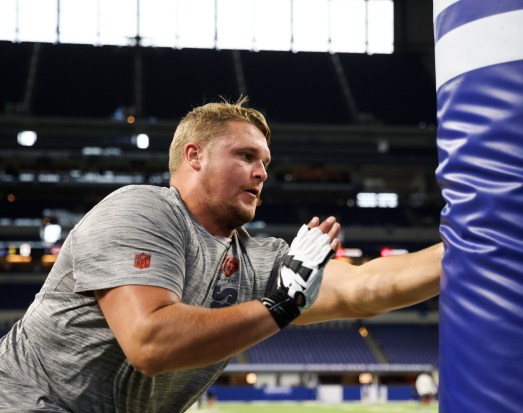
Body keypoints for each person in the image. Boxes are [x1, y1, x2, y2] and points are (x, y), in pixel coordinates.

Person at [0, 97, 442, 412]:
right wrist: (281, 306)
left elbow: (366, 287)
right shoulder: (142, 209)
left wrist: (476, 245)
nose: (262, 172)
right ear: (194, 156)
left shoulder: (259, 260)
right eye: (246, 155)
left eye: (265, 161)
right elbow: (150, 341)